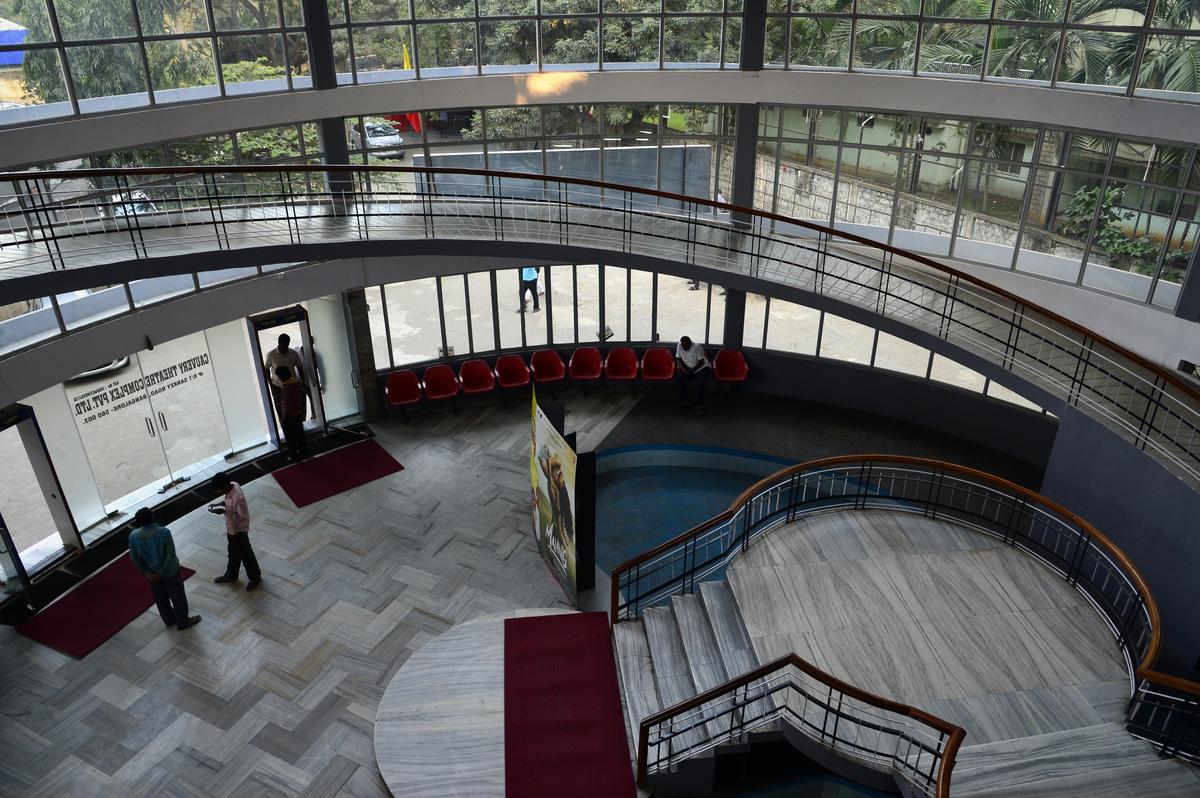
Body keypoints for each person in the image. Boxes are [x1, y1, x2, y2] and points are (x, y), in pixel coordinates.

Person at [128, 507, 201, 630]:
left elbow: (135, 558)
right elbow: (170, 554)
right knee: (178, 597)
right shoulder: (163, 532)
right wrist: (161, 572)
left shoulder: (133, 536)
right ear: (152, 518)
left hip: (152, 575)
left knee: (160, 598)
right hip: (170, 572)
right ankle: (183, 621)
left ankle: (168, 620)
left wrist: (148, 573)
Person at [209, 472, 262, 591]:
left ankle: (255, 578)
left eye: (218, 490)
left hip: (239, 531)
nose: (218, 492)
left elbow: (242, 516)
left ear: (224, 486)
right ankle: (231, 575)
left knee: (246, 555)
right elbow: (228, 504)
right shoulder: (233, 484)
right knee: (233, 553)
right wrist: (221, 505)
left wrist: (224, 511)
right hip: (232, 530)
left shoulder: (238, 498)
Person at [264, 333, 307, 422]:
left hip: (292, 385)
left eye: (287, 345)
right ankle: (284, 425)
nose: (285, 347)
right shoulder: (271, 355)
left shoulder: (293, 354)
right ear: (279, 343)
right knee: (280, 407)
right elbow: (266, 369)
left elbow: (299, 367)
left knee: (295, 406)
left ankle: (298, 423)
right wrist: (271, 385)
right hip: (277, 386)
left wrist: (303, 381)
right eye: (283, 345)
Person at [275, 365, 310, 461]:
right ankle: (305, 453)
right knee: (300, 435)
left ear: (281, 377)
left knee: (290, 439)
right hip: (298, 413)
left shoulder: (286, 388)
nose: (278, 378)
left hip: (289, 417)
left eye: (278, 376)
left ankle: (294, 456)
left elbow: (287, 404)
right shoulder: (296, 383)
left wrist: (284, 416)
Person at [675, 335, 711, 415]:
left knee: (700, 383)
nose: (684, 348)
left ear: (690, 343)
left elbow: (701, 361)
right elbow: (678, 358)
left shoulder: (697, 346)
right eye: (683, 345)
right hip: (689, 369)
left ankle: (700, 406)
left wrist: (690, 371)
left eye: (686, 346)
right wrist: (684, 370)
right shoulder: (679, 346)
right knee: (680, 380)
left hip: (702, 368)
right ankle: (685, 402)